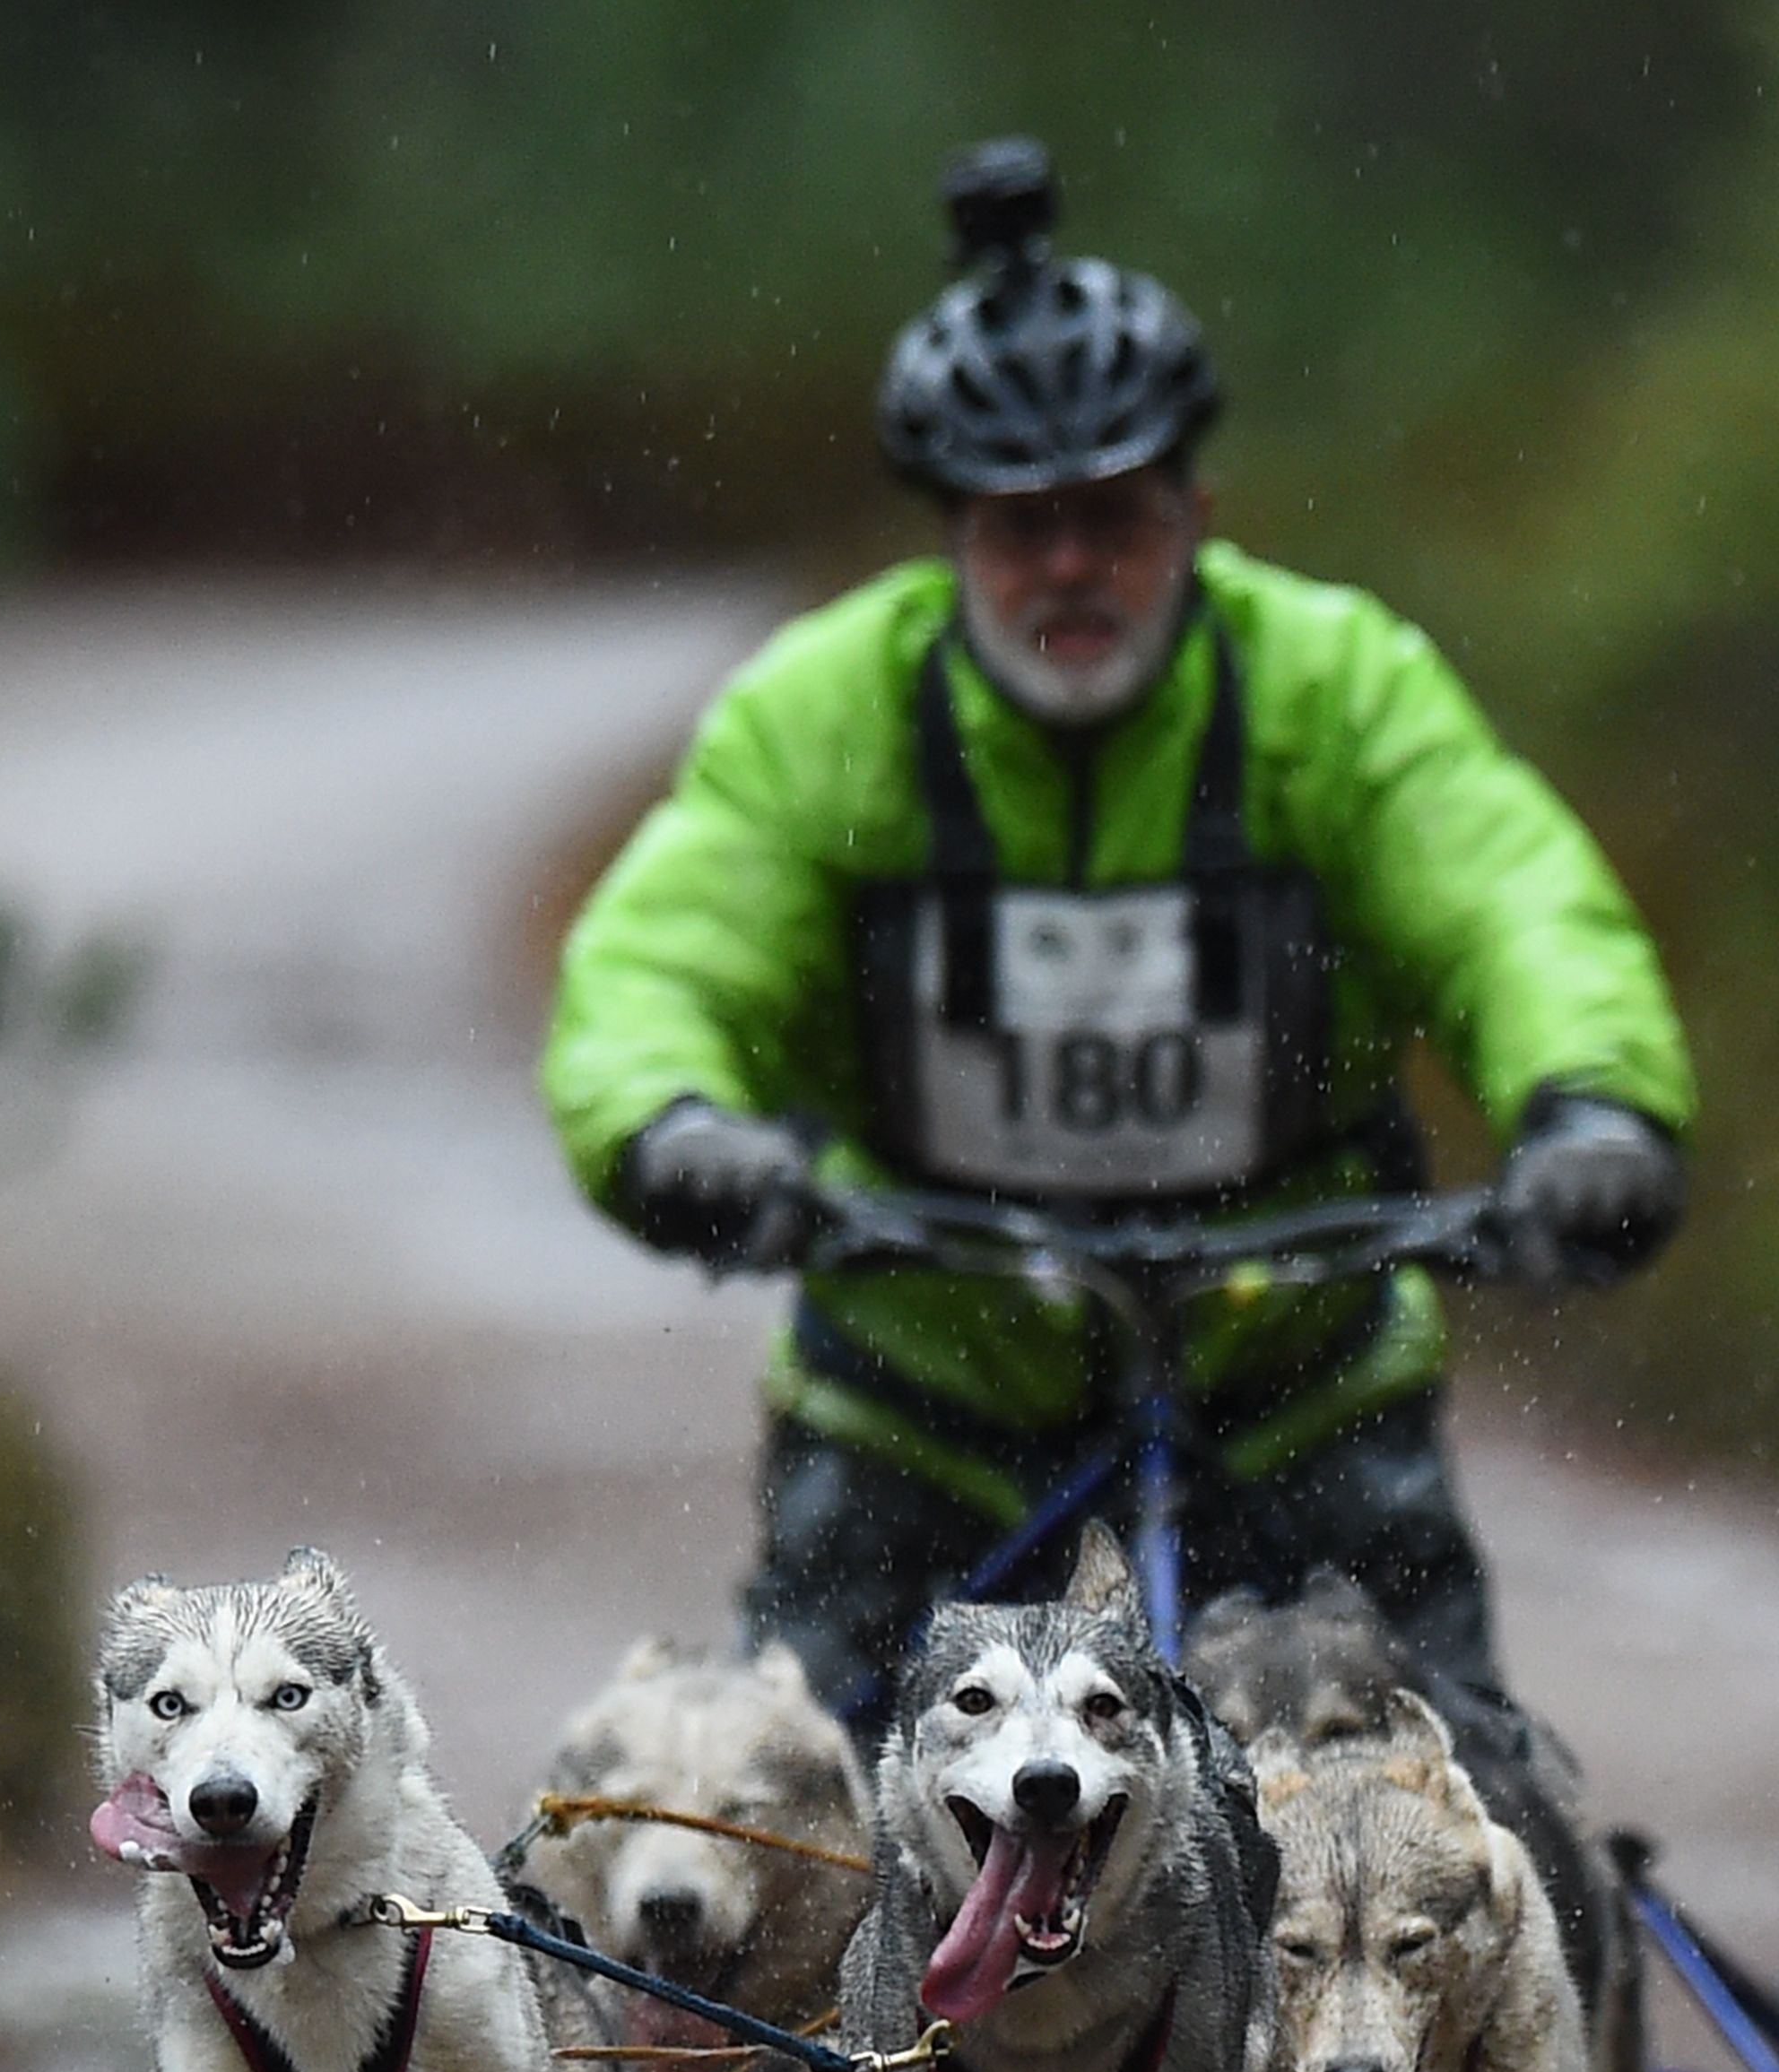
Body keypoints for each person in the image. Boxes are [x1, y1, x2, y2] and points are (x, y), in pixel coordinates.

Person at [544, 139, 1693, 1723]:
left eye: (1114, 519)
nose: (1070, 567)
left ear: (1195, 510)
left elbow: (1513, 901)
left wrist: (1594, 1105)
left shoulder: (1334, 689)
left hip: (1293, 1389)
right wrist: (673, 1126)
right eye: (1023, 530)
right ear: (952, 539)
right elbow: (663, 960)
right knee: (775, 1865)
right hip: (920, 1407)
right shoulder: (827, 720)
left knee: (1453, 1838)